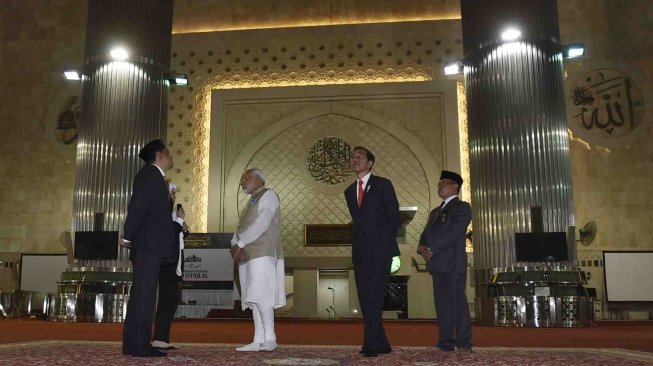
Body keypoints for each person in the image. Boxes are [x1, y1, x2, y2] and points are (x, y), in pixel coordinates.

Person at [120, 139, 178, 358]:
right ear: (159, 156)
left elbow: (154, 211)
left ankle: (133, 343)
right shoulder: (150, 176)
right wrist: (127, 235)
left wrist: (169, 202)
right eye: (168, 153)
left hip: (150, 246)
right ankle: (140, 345)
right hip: (148, 246)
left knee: (142, 295)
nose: (171, 156)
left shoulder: (155, 178)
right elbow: (138, 205)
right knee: (144, 296)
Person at [344, 146, 399, 358]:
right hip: (360, 252)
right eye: (353, 156)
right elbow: (359, 222)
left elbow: (393, 217)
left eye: (360, 156)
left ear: (370, 163)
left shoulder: (383, 185)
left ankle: (370, 344)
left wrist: (385, 246)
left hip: (380, 251)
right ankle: (382, 342)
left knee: (375, 296)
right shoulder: (349, 191)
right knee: (366, 297)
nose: (355, 159)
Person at [230, 168, 286, 352]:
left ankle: (270, 338)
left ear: (258, 179)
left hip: (263, 251)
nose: (242, 182)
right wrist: (235, 244)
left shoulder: (268, 195)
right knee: (252, 296)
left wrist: (240, 243)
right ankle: (258, 339)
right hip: (247, 254)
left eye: (246, 178)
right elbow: (241, 227)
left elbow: (263, 222)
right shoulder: (251, 201)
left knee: (261, 294)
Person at [417, 170, 473, 353]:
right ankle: (446, 341)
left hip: (452, 263)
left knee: (457, 304)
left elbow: (455, 233)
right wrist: (421, 247)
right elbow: (425, 234)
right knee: (442, 305)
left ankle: (464, 343)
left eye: (444, 183)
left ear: (455, 186)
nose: (439, 186)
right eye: (439, 183)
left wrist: (432, 249)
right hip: (436, 264)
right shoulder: (435, 211)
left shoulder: (462, 207)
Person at [151, 183, 189, 350]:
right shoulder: (162, 210)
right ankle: (159, 338)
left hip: (172, 261)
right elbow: (166, 234)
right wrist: (179, 221)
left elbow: (175, 236)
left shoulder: (170, 211)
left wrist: (183, 230)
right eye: (171, 192)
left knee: (171, 299)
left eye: (174, 192)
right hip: (166, 263)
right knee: (168, 299)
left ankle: (162, 338)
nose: (174, 195)